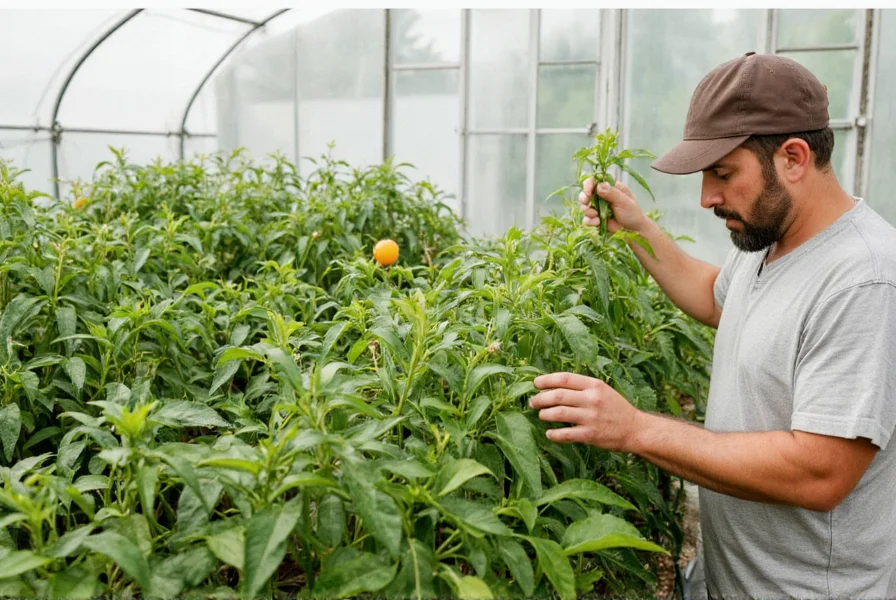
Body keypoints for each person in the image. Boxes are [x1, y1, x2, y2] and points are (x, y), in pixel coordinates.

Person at [529, 51, 896, 599]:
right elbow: (718, 298)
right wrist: (636, 229)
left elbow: (820, 471)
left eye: (723, 174)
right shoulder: (768, 237)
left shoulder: (863, 282)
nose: (707, 198)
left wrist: (636, 429)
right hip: (729, 579)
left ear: (793, 157)